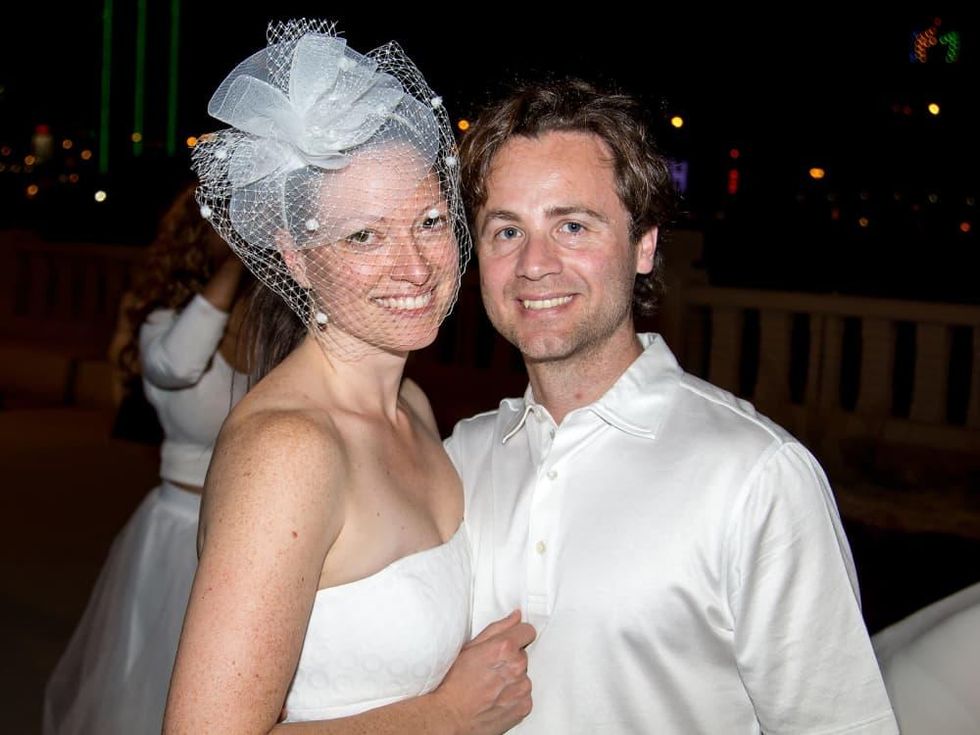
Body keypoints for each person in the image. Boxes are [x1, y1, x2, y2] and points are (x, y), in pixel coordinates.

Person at [445, 78, 900, 733]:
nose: (534, 263)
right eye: (506, 229)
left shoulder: (755, 476)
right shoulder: (457, 459)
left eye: (572, 224)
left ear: (645, 245)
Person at [164, 20, 532, 734]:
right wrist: (448, 713)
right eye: (364, 235)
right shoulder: (290, 451)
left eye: (428, 220)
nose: (415, 266)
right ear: (295, 257)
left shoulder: (412, 404)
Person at [43, 185, 251, 734]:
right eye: (226, 228)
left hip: (246, 530)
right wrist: (234, 268)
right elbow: (177, 366)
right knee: (155, 693)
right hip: (177, 531)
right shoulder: (164, 326)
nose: (240, 240)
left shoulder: (266, 328)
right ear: (196, 240)